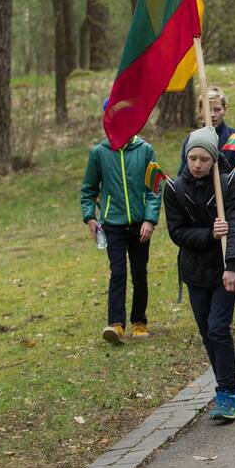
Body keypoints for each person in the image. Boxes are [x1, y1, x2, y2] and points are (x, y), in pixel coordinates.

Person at [163, 126, 235, 420]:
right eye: (192, 158)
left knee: (218, 328)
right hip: (195, 271)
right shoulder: (174, 189)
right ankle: (228, 386)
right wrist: (209, 234)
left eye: (203, 159)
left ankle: (226, 391)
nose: (197, 165)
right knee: (207, 334)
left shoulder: (228, 185)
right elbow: (178, 233)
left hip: (225, 269)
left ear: (214, 160)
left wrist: (233, 265)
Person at [176, 86, 235, 328]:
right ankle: (216, 311)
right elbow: (183, 174)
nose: (213, 114)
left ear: (225, 109)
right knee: (211, 259)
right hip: (202, 212)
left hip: (230, 208)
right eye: (208, 110)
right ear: (200, 112)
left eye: (217, 109)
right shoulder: (192, 141)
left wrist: (227, 185)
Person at [80, 124, 161, 344]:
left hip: (139, 225)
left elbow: (154, 188)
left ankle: (139, 322)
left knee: (139, 272)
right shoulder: (99, 153)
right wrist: (90, 217)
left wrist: (150, 219)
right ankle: (116, 324)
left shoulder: (145, 150)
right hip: (112, 224)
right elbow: (89, 189)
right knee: (118, 273)